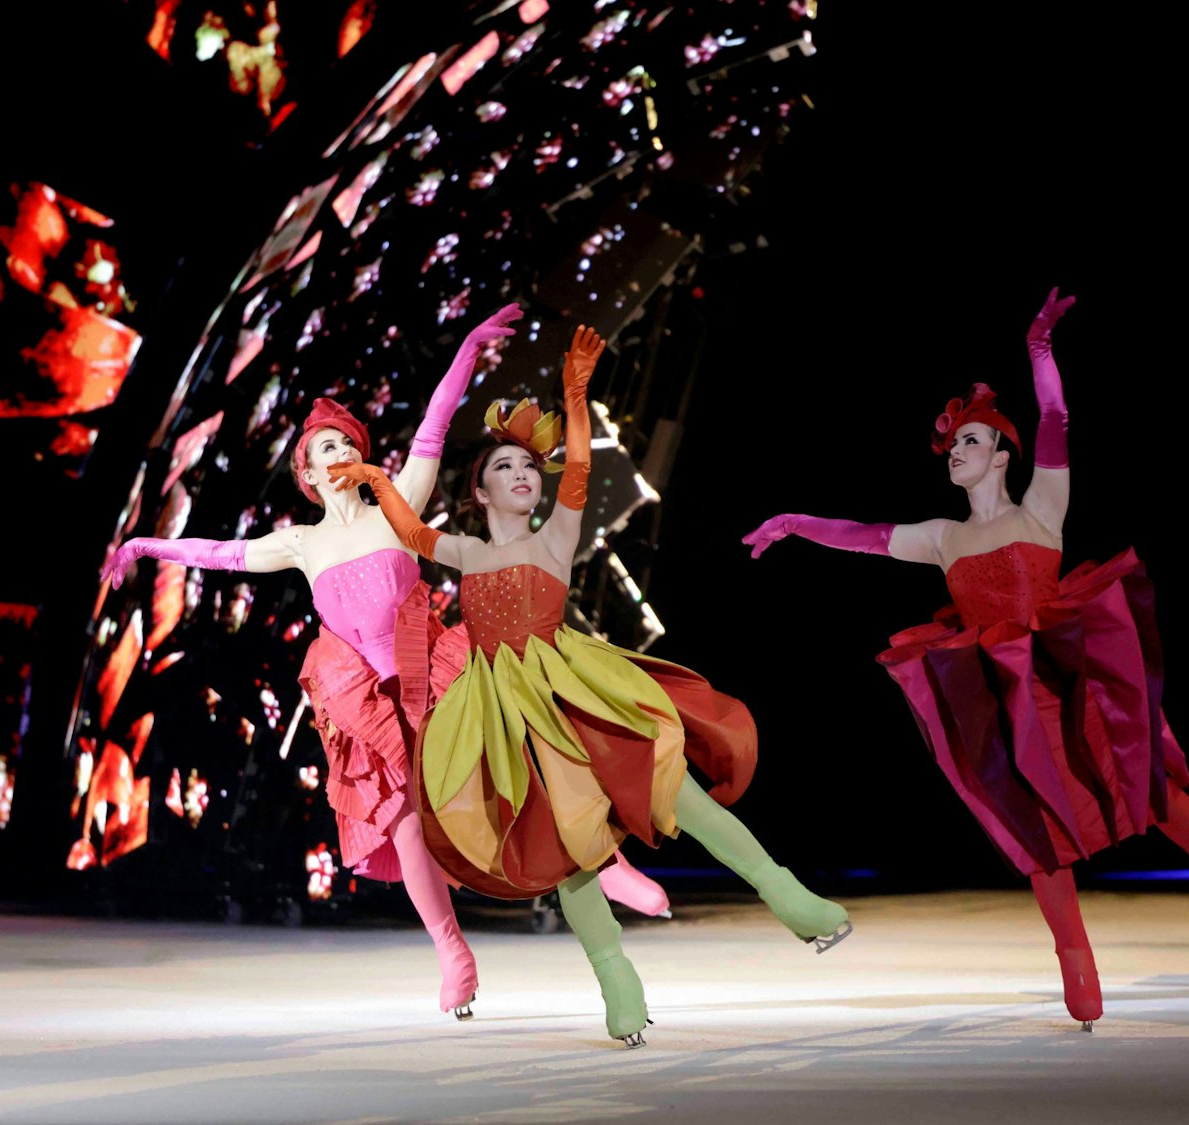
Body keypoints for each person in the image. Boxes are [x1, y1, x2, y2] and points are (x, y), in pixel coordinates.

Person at [741, 287, 1189, 1030]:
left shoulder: (1042, 508)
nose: (955, 453)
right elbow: (867, 535)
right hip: (1005, 694)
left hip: (1067, 675)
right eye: (952, 446)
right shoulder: (943, 536)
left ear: (1002, 452)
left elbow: (1059, 420)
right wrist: (795, 523)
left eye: (970, 442)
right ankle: (1075, 956)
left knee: (1141, 781)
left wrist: (1040, 349)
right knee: (1032, 821)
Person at [104, 305, 670, 1019]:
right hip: (368, 695)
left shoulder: (399, 503)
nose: (337, 455)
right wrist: (145, 547)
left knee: (519, 766)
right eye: (324, 449)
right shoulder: (300, 542)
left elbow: (433, 427)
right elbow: (218, 554)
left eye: (347, 444)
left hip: (434, 668)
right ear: (307, 470)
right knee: (404, 821)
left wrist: (465, 348)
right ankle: (452, 954)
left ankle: (606, 865)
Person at [327, 324, 851, 1048]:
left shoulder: (554, 536)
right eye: (504, 466)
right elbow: (413, 533)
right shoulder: (466, 550)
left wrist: (576, 392)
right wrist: (380, 483)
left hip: (575, 689)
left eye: (526, 467)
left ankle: (789, 895)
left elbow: (577, 463)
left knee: (678, 793)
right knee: (564, 852)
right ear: (479, 490)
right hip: (505, 717)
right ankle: (615, 975)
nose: (521, 474)